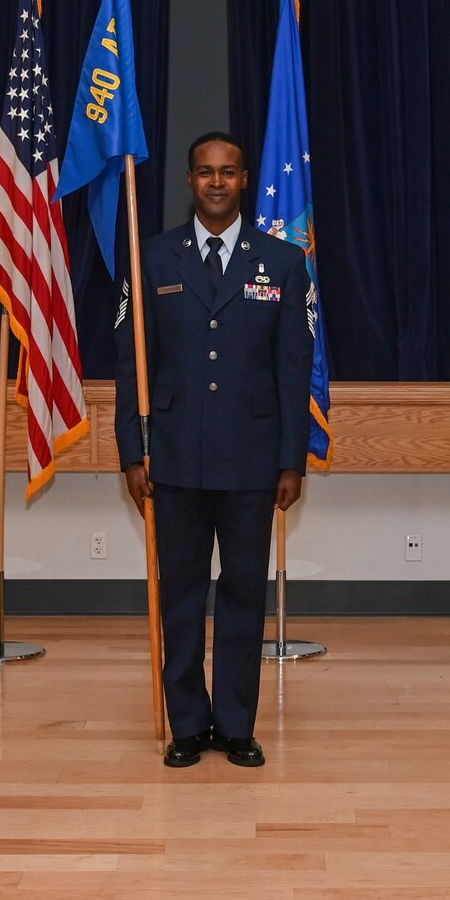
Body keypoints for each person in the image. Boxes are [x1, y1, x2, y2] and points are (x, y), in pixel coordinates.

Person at [116, 132, 315, 770]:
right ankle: (187, 725)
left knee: (242, 594)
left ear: (246, 179)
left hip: (254, 462)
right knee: (179, 594)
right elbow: (132, 365)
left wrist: (292, 460)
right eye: (205, 172)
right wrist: (131, 451)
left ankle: (235, 724)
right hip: (173, 457)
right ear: (189, 180)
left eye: (228, 172)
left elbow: (294, 368)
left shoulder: (283, 262)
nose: (217, 182)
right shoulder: (152, 259)